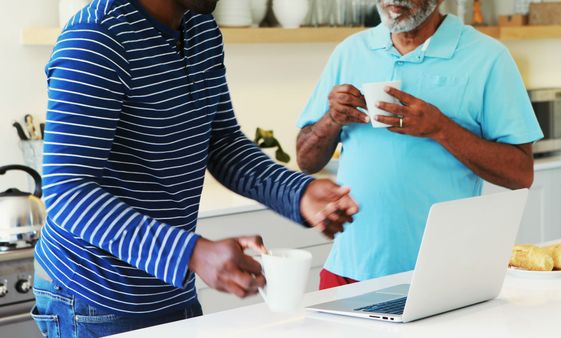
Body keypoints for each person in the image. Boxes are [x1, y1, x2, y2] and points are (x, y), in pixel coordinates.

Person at [32, 0, 359, 336]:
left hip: (171, 287)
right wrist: (192, 252)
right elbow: (67, 191)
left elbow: (223, 144)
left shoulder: (200, 29)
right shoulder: (96, 38)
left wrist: (299, 192)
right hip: (96, 300)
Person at [296, 0, 544, 289]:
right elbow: (306, 159)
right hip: (347, 270)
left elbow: (521, 173)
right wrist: (331, 119)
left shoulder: (488, 58)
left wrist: (440, 128)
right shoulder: (350, 52)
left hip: (442, 277)